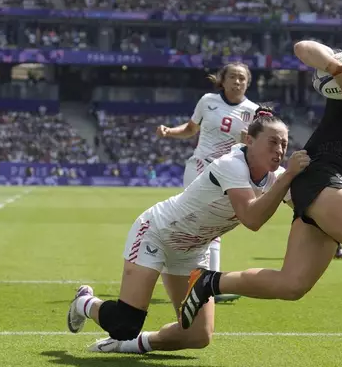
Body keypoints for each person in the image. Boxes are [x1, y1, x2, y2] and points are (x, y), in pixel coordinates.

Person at [178, 12, 342, 359]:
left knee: (292, 285)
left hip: (340, 183)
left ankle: (208, 282)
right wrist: (334, 67)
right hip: (319, 172)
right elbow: (303, 47)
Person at [67, 108, 310, 354]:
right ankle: (85, 302)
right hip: (157, 233)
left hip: (192, 251)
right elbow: (252, 219)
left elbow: (306, 208)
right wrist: (289, 176)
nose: (279, 150)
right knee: (125, 323)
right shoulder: (232, 165)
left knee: (198, 335)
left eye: (284, 143)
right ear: (249, 140)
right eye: (272, 142)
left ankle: (130, 345)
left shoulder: (277, 177)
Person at [156, 62, 259, 303]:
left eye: (242, 78)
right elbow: (191, 129)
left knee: (214, 228)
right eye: (233, 77)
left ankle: (205, 282)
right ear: (222, 81)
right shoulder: (208, 101)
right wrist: (170, 131)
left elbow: (256, 146)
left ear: (248, 83)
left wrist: (249, 142)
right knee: (195, 222)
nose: (237, 82)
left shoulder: (253, 111)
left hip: (229, 174)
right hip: (200, 168)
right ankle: (204, 282)